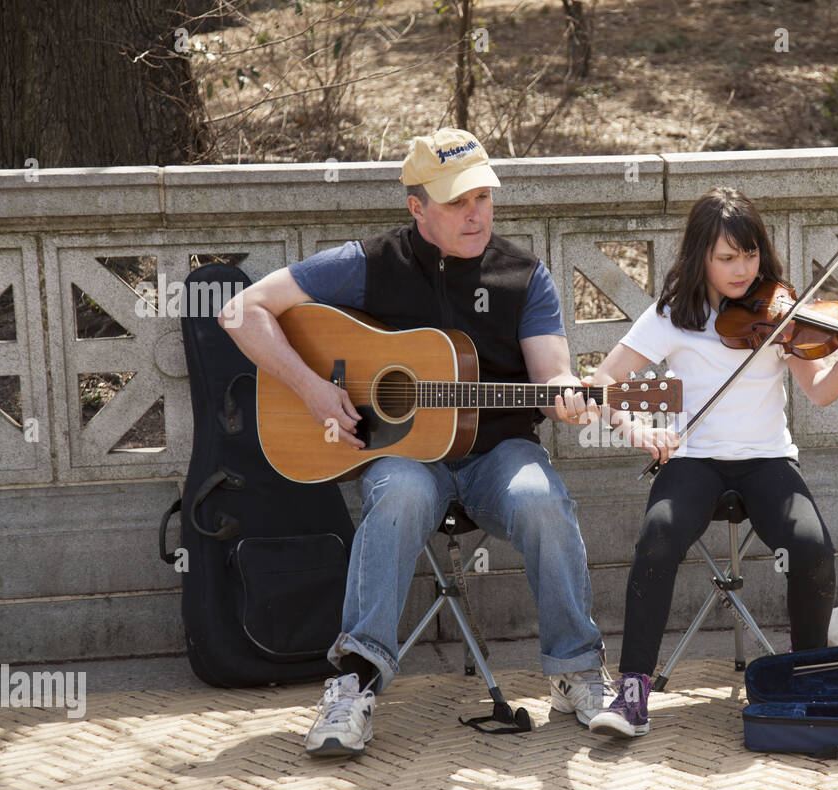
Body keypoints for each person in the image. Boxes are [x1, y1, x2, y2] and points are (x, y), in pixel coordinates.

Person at [220, 128, 609, 756]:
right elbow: (240, 312)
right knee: (397, 493)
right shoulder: (368, 264)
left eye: (482, 196)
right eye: (457, 201)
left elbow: (553, 371)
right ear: (416, 207)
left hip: (498, 454)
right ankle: (354, 683)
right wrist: (315, 387)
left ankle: (577, 669)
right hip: (404, 457)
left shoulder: (523, 277)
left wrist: (569, 394)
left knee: (540, 497)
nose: (475, 213)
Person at [579, 186, 838, 738]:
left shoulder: (781, 310)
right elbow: (604, 381)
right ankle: (632, 695)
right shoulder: (673, 314)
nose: (742, 269)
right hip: (693, 461)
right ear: (700, 257)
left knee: (812, 546)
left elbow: (817, 391)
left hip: (767, 459)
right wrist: (636, 428)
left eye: (749, 255)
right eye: (727, 258)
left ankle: (805, 679)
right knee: (657, 538)